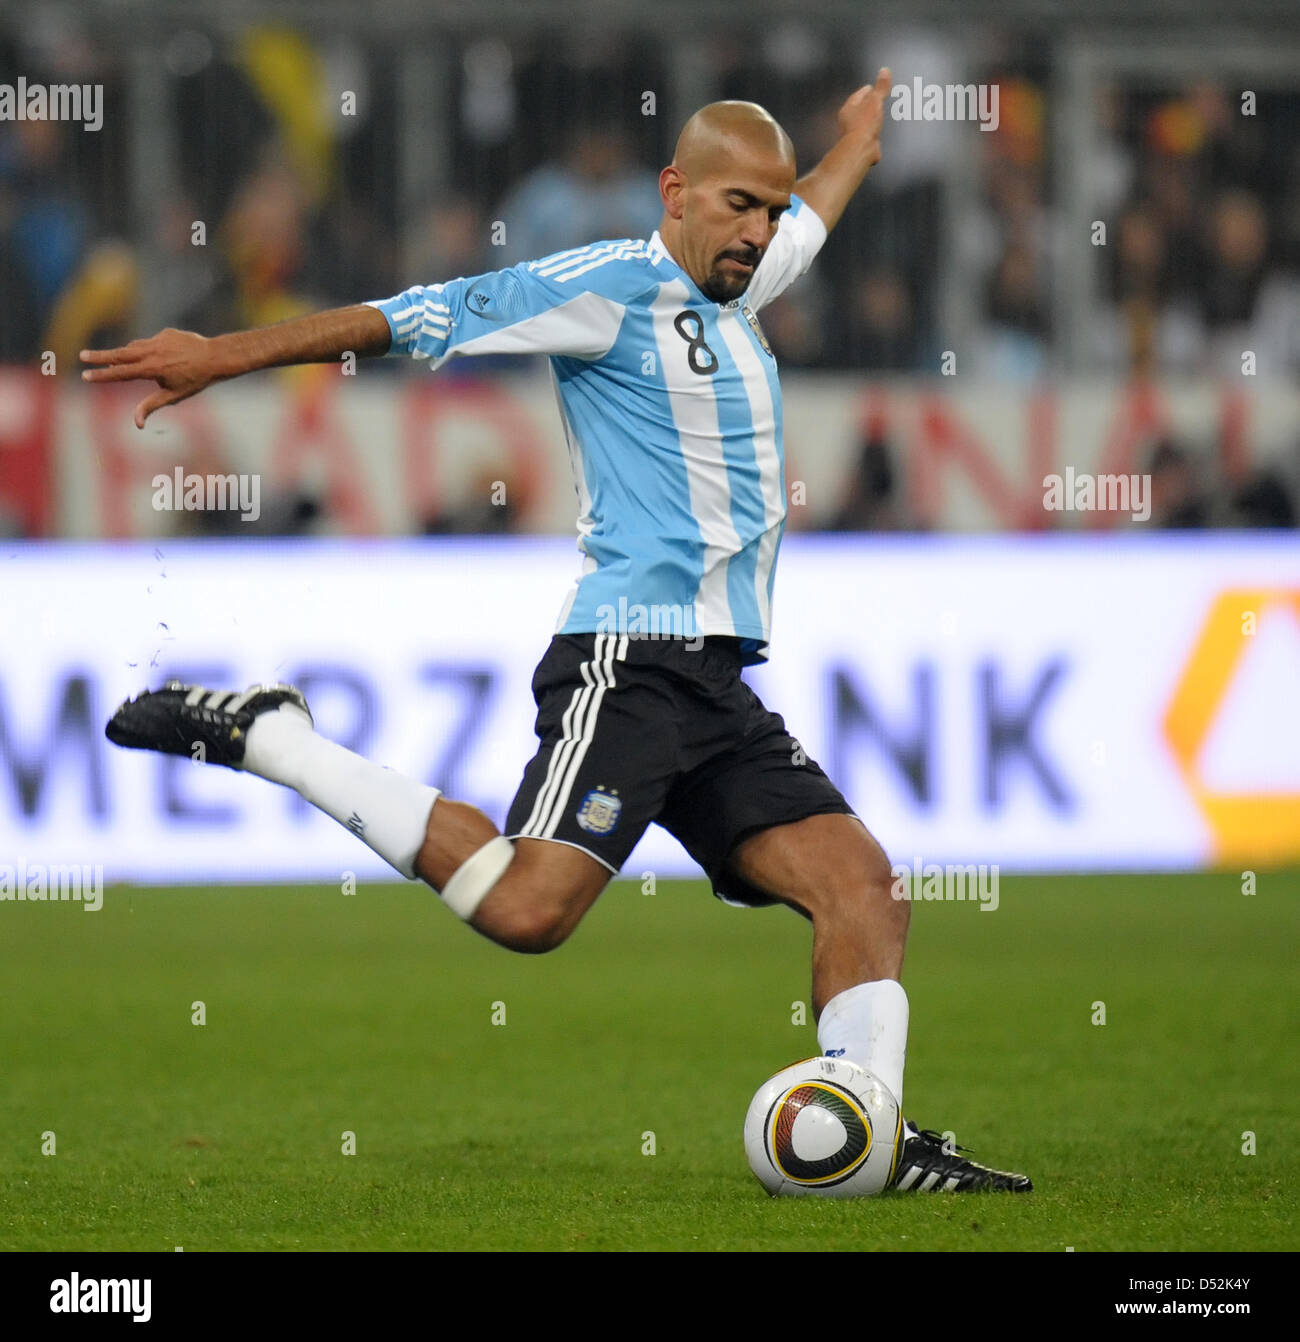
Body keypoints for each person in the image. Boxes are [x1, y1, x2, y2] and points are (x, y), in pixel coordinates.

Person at [83, 69, 1031, 1194]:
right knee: (528, 910)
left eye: (770, 210)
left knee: (862, 887)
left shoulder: (743, 278)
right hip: (626, 664)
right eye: (738, 204)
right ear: (673, 190)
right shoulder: (603, 288)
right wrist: (221, 354)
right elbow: (413, 317)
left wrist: (858, 145)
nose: (760, 229)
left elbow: (813, 216)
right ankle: (277, 738)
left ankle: (870, 1135)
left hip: (716, 687)